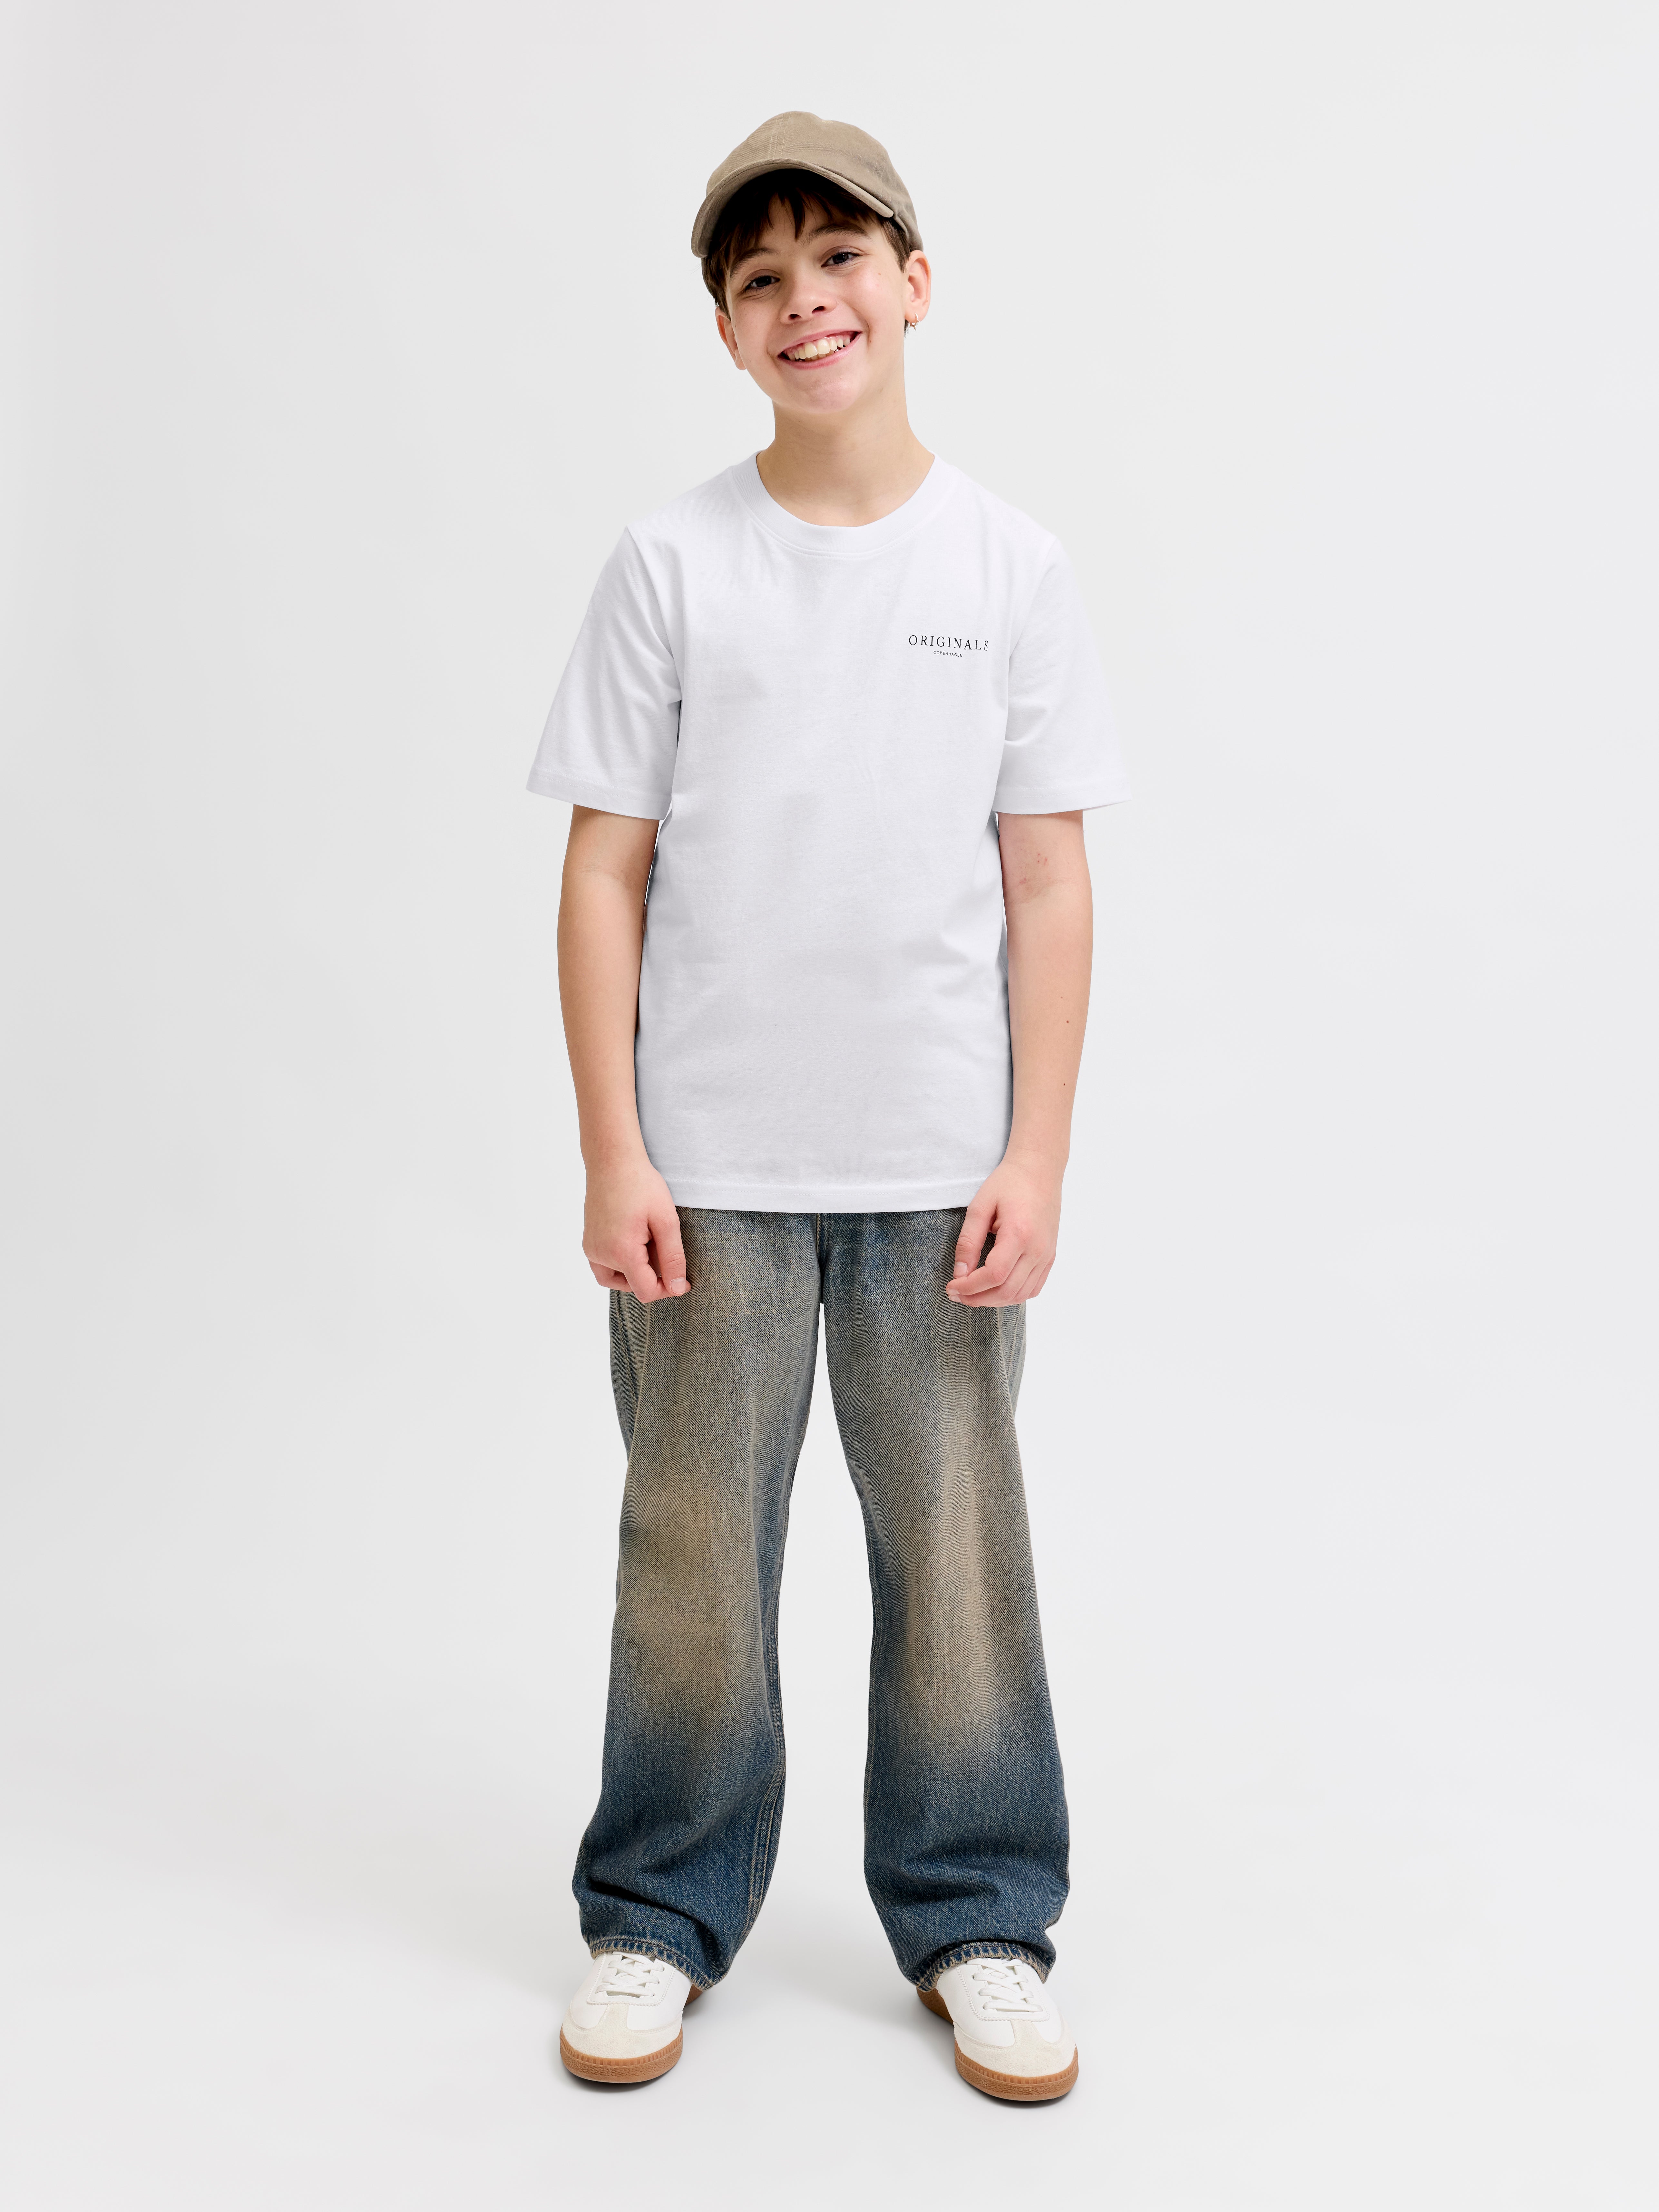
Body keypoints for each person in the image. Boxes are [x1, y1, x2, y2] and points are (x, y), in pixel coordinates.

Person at [528, 112, 1128, 2102]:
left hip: (939, 1166)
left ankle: (981, 1920)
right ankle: (656, 1913)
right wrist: (616, 1148)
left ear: (915, 282)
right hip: (708, 1172)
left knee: (956, 1558)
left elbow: (1048, 880)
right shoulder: (672, 562)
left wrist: (1036, 1152)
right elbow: (604, 869)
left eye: (841, 259)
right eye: (763, 278)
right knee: (692, 1554)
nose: (809, 303)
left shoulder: (1010, 566)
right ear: (727, 329)